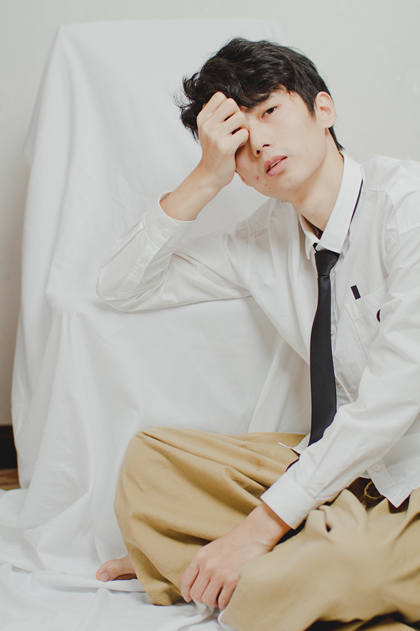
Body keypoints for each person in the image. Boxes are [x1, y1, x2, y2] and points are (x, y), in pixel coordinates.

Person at [95, 38, 420, 631]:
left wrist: (255, 530)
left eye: (269, 111)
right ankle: (293, 562)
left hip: (412, 471)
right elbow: (121, 287)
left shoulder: (407, 209)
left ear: (323, 109)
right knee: (150, 465)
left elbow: (388, 406)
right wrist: (205, 176)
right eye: (238, 139)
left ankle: (259, 569)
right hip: (344, 469)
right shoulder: (261, 240)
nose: (260, 142)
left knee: (297, 584)